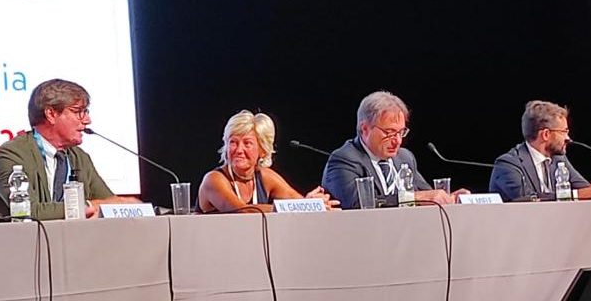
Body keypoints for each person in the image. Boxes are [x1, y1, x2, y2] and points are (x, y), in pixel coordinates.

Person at [0, 79, 138, 220]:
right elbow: (28, 211)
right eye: (78, 112)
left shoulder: (79, 157)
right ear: (51, 114)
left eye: (86, 112)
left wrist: (123, 204)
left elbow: (108, 202)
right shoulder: (11, 156)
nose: (87, 120)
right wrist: (88, 206)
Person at [322, 91, 460, 209]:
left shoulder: (405, 157)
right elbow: (357, 204)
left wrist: (449, 199)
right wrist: (412, 198)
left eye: (401, 132)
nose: (398, 141)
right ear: (365, 129)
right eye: (389, 132)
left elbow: (427, 195)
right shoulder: (344, 159)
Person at [197, 110, 338, 213]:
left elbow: (297, 202)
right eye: (233, 142)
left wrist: (310, 204)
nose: (239, 150)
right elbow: (241, 211)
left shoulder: (265, 177)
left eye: (247, 143)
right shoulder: (214, 180)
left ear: (262, 150)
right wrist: (298, 206)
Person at [489, 100, 591, 201]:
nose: (568, 138)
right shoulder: (508, 164)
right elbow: (528, 199)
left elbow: (586, 190)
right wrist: (579, 194)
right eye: (564, 132)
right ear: (546, 134)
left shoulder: (559, 159)